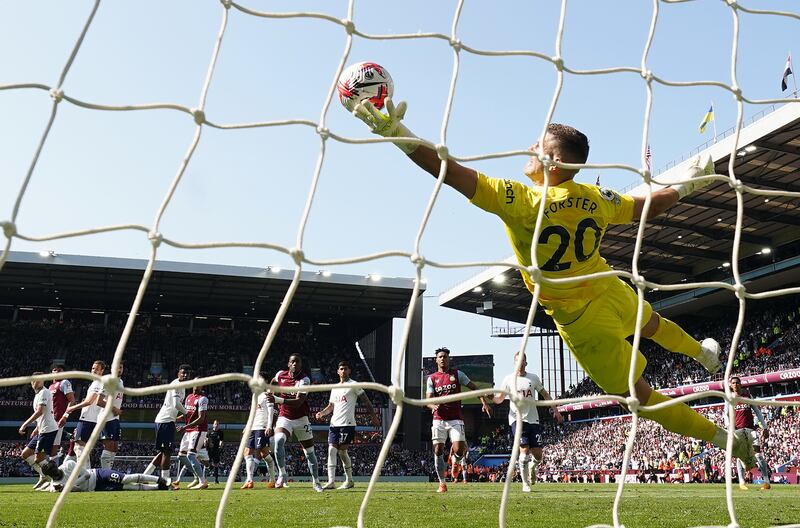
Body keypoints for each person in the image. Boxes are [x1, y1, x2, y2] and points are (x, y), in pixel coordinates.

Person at [351, 100, 757, 470]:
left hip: (580, 319)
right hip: (608, 286)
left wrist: (398, 135)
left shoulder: (522, 201)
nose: (529, 150)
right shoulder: (596, 197)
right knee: (650, 323)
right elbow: (644, 206)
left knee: (640, 395)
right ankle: (702, 353)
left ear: (554, 159)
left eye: (536, 145)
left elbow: (450, 171)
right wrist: (686, 186)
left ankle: (726, 439)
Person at [492, 351, 563, 492]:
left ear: (526, 362)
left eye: (523, 361)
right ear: (514, 363)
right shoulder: (508, 379)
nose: (520, 363)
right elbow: (499, 399)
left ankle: (533, 466)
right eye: (517, 361)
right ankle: (525, 484)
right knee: (523, 452)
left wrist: (556, 411)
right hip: (517, 419)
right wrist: (490, 398)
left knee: (538, 455)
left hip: (533, 419)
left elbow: (545, 394)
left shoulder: (533, 378)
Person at [425, 346, 491, 493]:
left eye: (445, 356)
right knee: (438, 450)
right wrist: (432, 406)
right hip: (439, 419)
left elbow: (475, 388)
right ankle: (442, 483)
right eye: (440, 356)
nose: (443, 359)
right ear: (436, 360)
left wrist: (484, 402)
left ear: (449, 359)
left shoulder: (457, 374)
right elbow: (427, 400)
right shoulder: (432, 378)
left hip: (455, 418)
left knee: (460, 450)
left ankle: (455, 461)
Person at [315, 360, 381, 490]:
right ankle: (331, 481)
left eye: (346, 368)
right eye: (341, 369)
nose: (343, 371)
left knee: (342, 452)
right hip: (334, 424)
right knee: (331, 450)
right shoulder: (335, 387)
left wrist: (374, 417)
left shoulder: (354, 385)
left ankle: (349, 480)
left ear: (349, 371)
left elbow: (366, 401)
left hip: (347, 423)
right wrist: (322, 413)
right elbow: (331, 406)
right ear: (338, 371)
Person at [266, 354, 323, 492]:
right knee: (278, 441)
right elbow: (273, 381)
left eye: (298, 362)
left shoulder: (304, 380)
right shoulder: (281, 375)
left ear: (301, 365)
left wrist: (277, 400)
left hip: (301, 418)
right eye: (293, 362)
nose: (295, 364)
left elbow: (298, 402)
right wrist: (270, 391)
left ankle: (316, 482)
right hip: (284, 417)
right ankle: (282, 474)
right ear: (288, 364)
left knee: (309, 453)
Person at [144, 364, 190, 486]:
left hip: (168, 420)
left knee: (163, 452)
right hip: (164, 421)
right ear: (178, 374)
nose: (185, 375)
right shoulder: (176, 384)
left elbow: (172, 406)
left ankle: (145, 476)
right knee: (167, 452)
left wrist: (179, 417)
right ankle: (165, 481)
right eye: (183, 373)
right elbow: (175, 404)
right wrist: (187, 412)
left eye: (187, 373)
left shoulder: (183, 387)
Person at [60, 360, 107, 468]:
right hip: (92, 419)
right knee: (77, 448)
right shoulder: (98, 383)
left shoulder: (98, 383)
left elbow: (89, 401)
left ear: (102, 371)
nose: (93, 370)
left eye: (96, 369)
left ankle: (87, 474)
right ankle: (64, 473)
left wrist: (72, 408)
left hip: (88, 419)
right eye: (92, 368)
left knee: (79, 447)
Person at [727, 376, 771, 490]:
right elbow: (725, 415)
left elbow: (757, 411)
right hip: (738, 431)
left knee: (758, 454)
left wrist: (765, 427)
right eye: (733, 383)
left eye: (737, 382)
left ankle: (766, 482)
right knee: (739, 457)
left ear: (740, 384)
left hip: (751, 431)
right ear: (731, 386)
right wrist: (729, 429)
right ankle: (742, 482)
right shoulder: (729, 398)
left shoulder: (747, 396)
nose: (735, 385)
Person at [19, 372, 59, 490]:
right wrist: (37, 428)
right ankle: (43, 475)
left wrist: (25, 424)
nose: (36, 382)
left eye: (39, 380)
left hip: (48, 429)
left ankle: (56, 479)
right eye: (34, 380)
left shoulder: (44, 392)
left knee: (39, 459)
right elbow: (43, 414)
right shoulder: (37, 395)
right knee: (25, 454)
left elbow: (40, 412)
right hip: (42, 429)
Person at [40, 459, 169, 492]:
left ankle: (160, 479)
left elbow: (86, 475)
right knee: (128, 487)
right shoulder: (56, 485)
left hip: (98, 475)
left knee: (125, 479)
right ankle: (159, 488)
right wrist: (65, 489)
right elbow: (79, 490)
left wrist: (69, 485)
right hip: (96, 488)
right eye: (54, 475)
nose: (57, 474)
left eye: (56, 471)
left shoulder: (68, 464)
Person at [176, 380, 209, 490]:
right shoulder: (189, 397)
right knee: (181, 456)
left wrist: (184, 427)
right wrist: (174, 419)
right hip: (189, 430)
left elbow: (201, 418)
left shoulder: (203, 399)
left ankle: (202, 481)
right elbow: (187, 414)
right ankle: (196, 477)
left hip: (198, 430)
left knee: (191, 455)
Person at [241, 388, 277, 489]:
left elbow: (271, 411)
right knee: (247, 452)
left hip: (262, 427)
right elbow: (252, 413)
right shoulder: (255, 396)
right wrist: (247, 426)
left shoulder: (267, 395)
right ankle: (249, 480)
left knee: (264, 454)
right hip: (253, 428)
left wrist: (269, 426)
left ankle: (273, 479)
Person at [48, 365, 75, 469]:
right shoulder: (50, 386)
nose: (57, 372)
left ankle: (54, 476)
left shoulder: (64, 383)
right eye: (55, 370)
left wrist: (65, 416)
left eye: (60, 371)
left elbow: (72, 401)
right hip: (48, 421)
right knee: (47, 448)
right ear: (51, 373)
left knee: (53, 448)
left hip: (57, 421)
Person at [100, 363, 124, 469]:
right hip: (106, 417)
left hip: (115, 418)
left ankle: (109, 473)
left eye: (121, 367)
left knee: (114, 447)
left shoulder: (121, 382)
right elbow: (99, 401)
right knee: (108, 446)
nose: (119, 369)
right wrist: (114, 409)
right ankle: (105, 475)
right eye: (117, 367)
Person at [206, 420, 225, 484]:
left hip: (216, 450)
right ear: (213, 425)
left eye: (217, 424)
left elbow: (221, 440)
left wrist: (221, 445)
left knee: (216, 464)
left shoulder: (221, 432)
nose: (216, 425)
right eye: (215, 424)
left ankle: (216, 479)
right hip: (209, 450)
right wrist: (208, 443)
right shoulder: (209, 431)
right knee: (207, 464)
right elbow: (206, 439)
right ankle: (203, 479)